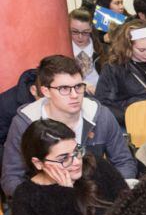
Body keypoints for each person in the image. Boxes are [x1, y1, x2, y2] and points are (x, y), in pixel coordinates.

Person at [2, 55, 136, 197]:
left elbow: (123, 161)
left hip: (96, 194)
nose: (75, 95)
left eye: (78, 86)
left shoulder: (101, 115)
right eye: (64, 88)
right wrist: (38, 200)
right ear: (46, 91)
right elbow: (11, 177)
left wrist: (116, 191)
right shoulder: (25, 123)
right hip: (47, 197)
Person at [95, 20, 146, 127]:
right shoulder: (114, 68)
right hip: (130, 125)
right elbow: (103, 105)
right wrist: (133, 117)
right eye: (141, 50)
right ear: (128, 46)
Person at [69, 9, 102, 95]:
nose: (80, 37)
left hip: (101, 94)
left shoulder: (103, 50)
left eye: (85, 32)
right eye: (75, 32)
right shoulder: (64, 51)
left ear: (91, 28)